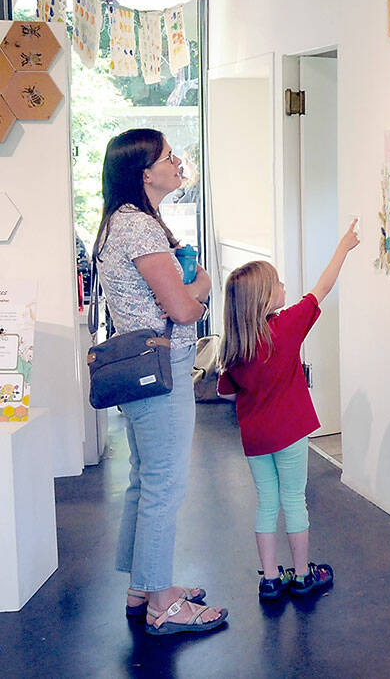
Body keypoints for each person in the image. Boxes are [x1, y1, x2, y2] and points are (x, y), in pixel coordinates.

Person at [94, 129, 226, 635]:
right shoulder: (142, 229)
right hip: (163, 365)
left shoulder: (118, 222)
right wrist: (204, 286)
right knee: (164, 488)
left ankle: (142, 586)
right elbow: (182, 307)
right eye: (168, 157)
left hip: (137, 368)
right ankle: (162, 604)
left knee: (144, 481)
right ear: (144, 173)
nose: (177, 163)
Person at [217, 222, 357, 602]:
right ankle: (301, 574)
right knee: (294, 498)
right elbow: (322, 289)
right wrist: (343, 247)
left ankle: (270, 578)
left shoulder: (236, 347)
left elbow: (227, 394)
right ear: (264, 299)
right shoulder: (285, 328)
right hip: (291, 432)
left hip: (256, 438)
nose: (283, 287)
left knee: (267, 501)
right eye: (277, 283)